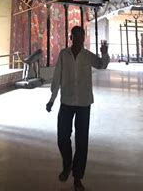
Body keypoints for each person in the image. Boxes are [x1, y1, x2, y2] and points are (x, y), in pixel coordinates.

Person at [46, 25, 110, 191]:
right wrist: (52, 100)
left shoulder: (87, 56)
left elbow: (102, 65)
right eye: (77, 37)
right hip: (66, 102)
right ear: (71, 38)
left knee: (82, 142)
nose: (80, 41)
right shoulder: (63, 55)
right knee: (62, 138)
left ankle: (77, 177)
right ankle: (67, 164)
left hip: (83, 104)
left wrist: (104, 52)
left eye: (82, 38)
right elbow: (57, 77)